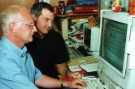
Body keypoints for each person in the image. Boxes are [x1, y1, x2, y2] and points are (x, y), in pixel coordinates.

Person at [0, 5, 85, 89]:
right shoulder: (4, 60)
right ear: (13, 27)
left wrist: (67, 84)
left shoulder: (22, 50)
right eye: (30, 25)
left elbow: (38, 78)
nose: (35, 29)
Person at [26, 2, 82, 80]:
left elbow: (61, 65)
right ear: (34, 17)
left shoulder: (55, 37)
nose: (50, 25)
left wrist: (68, 73)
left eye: (52, 21)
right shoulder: (25, 39)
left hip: (54, 82)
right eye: (46, 19)